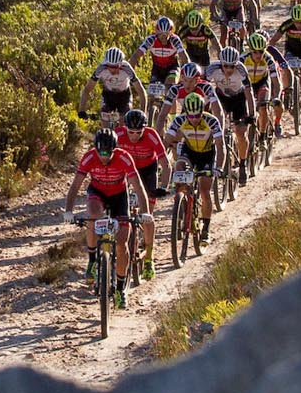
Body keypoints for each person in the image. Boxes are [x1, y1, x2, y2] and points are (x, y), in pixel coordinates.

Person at [62, 128, 154, 304]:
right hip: (98, 192)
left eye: (108, 152)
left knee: (121, 242)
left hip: (120, 195)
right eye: (100, 152)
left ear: (114, 149)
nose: (104, 156)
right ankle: (92, 261)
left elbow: (138, 187)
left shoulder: (124, 157)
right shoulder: (89, 157)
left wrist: (145, 213)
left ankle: (120, 290)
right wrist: (68, 211)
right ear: (95, 148)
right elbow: (75, 186)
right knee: (92, 215)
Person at [162, 91, 224, 238]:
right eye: (191, 115)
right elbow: (167, 141)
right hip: (189, 152)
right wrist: (160, 158)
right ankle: (181, 205)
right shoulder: (179, 120)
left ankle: (206, 228)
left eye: (197, 115)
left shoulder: (212, 121)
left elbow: (221, 147)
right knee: (179, 166)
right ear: (186, 112)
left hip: (207, 154)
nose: (194, 119)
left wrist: (219, 167)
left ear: (203, 111)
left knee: (204, 191)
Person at [115, 108, 168, 280]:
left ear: (144, 129)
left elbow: (166, 164)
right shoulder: (118, 134)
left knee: (148, 216)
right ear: (125, 128)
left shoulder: (152, 135)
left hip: (147, 171)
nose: (134, 135)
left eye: (139, 132)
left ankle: (149, 258)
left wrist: (163, 186)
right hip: (126, 170)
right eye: (131, 132)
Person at [204, 45, 260, 167]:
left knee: (240, 132)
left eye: (232, 66)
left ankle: (243, 164)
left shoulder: (241, 69)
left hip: (238, 99)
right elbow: (202, 89)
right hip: (221, 98)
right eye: (226, 66)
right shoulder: (212, 68)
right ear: (221, 63)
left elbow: (249, 93)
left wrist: (252, 114)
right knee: (216, 127)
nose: (229, 69)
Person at [136, 16, 187, 126]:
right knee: (153, 95)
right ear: (156, 32)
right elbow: (137, 55)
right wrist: (129, 71)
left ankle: (173, 121)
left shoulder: (175, 40)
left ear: (170, 32)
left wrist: (188, 71)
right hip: (157, 69)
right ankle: (151, 117)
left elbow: (184, 57)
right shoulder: (151, 39)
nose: (163, 37)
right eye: (161, 34)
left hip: (172, 67)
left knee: (171, 90)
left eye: (166, 34)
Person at [77, 46, 147, 124]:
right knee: (104, 124)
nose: (112, 70)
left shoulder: (127, 68)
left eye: (116, 67)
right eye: (110, 66)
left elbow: (141, 91)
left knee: (124, 122)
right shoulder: (101, 68)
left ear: (121, 64)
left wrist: (143, 112)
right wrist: (81, 110)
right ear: (106, 63)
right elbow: (87, 89)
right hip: (108, 95)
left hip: (124, 95)